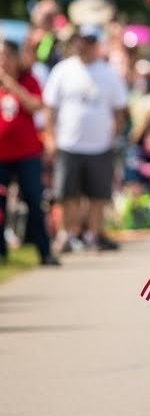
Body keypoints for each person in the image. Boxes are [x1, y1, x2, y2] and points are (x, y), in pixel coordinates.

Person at [43, 25, 129, 252]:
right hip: (68, 143)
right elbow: (50, 108)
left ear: (96, 44)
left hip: (100, 145)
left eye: (89, 41)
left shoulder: (108, 73)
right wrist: (51, 138)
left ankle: (96, 234)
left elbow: (119, 110)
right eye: (80, 40)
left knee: (98, 195)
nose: (84, 45)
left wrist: (115, 133)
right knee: (66, 194)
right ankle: (65, 235)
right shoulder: (62, 70)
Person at [0, 39, 58, 265]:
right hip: (2, 156)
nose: (2, 61)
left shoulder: (28, 80)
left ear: (16, 57)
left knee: (34, 201)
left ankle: (44, 252)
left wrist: (10, 84)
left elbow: (35, 105)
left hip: (27, 154)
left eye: (6, 55)